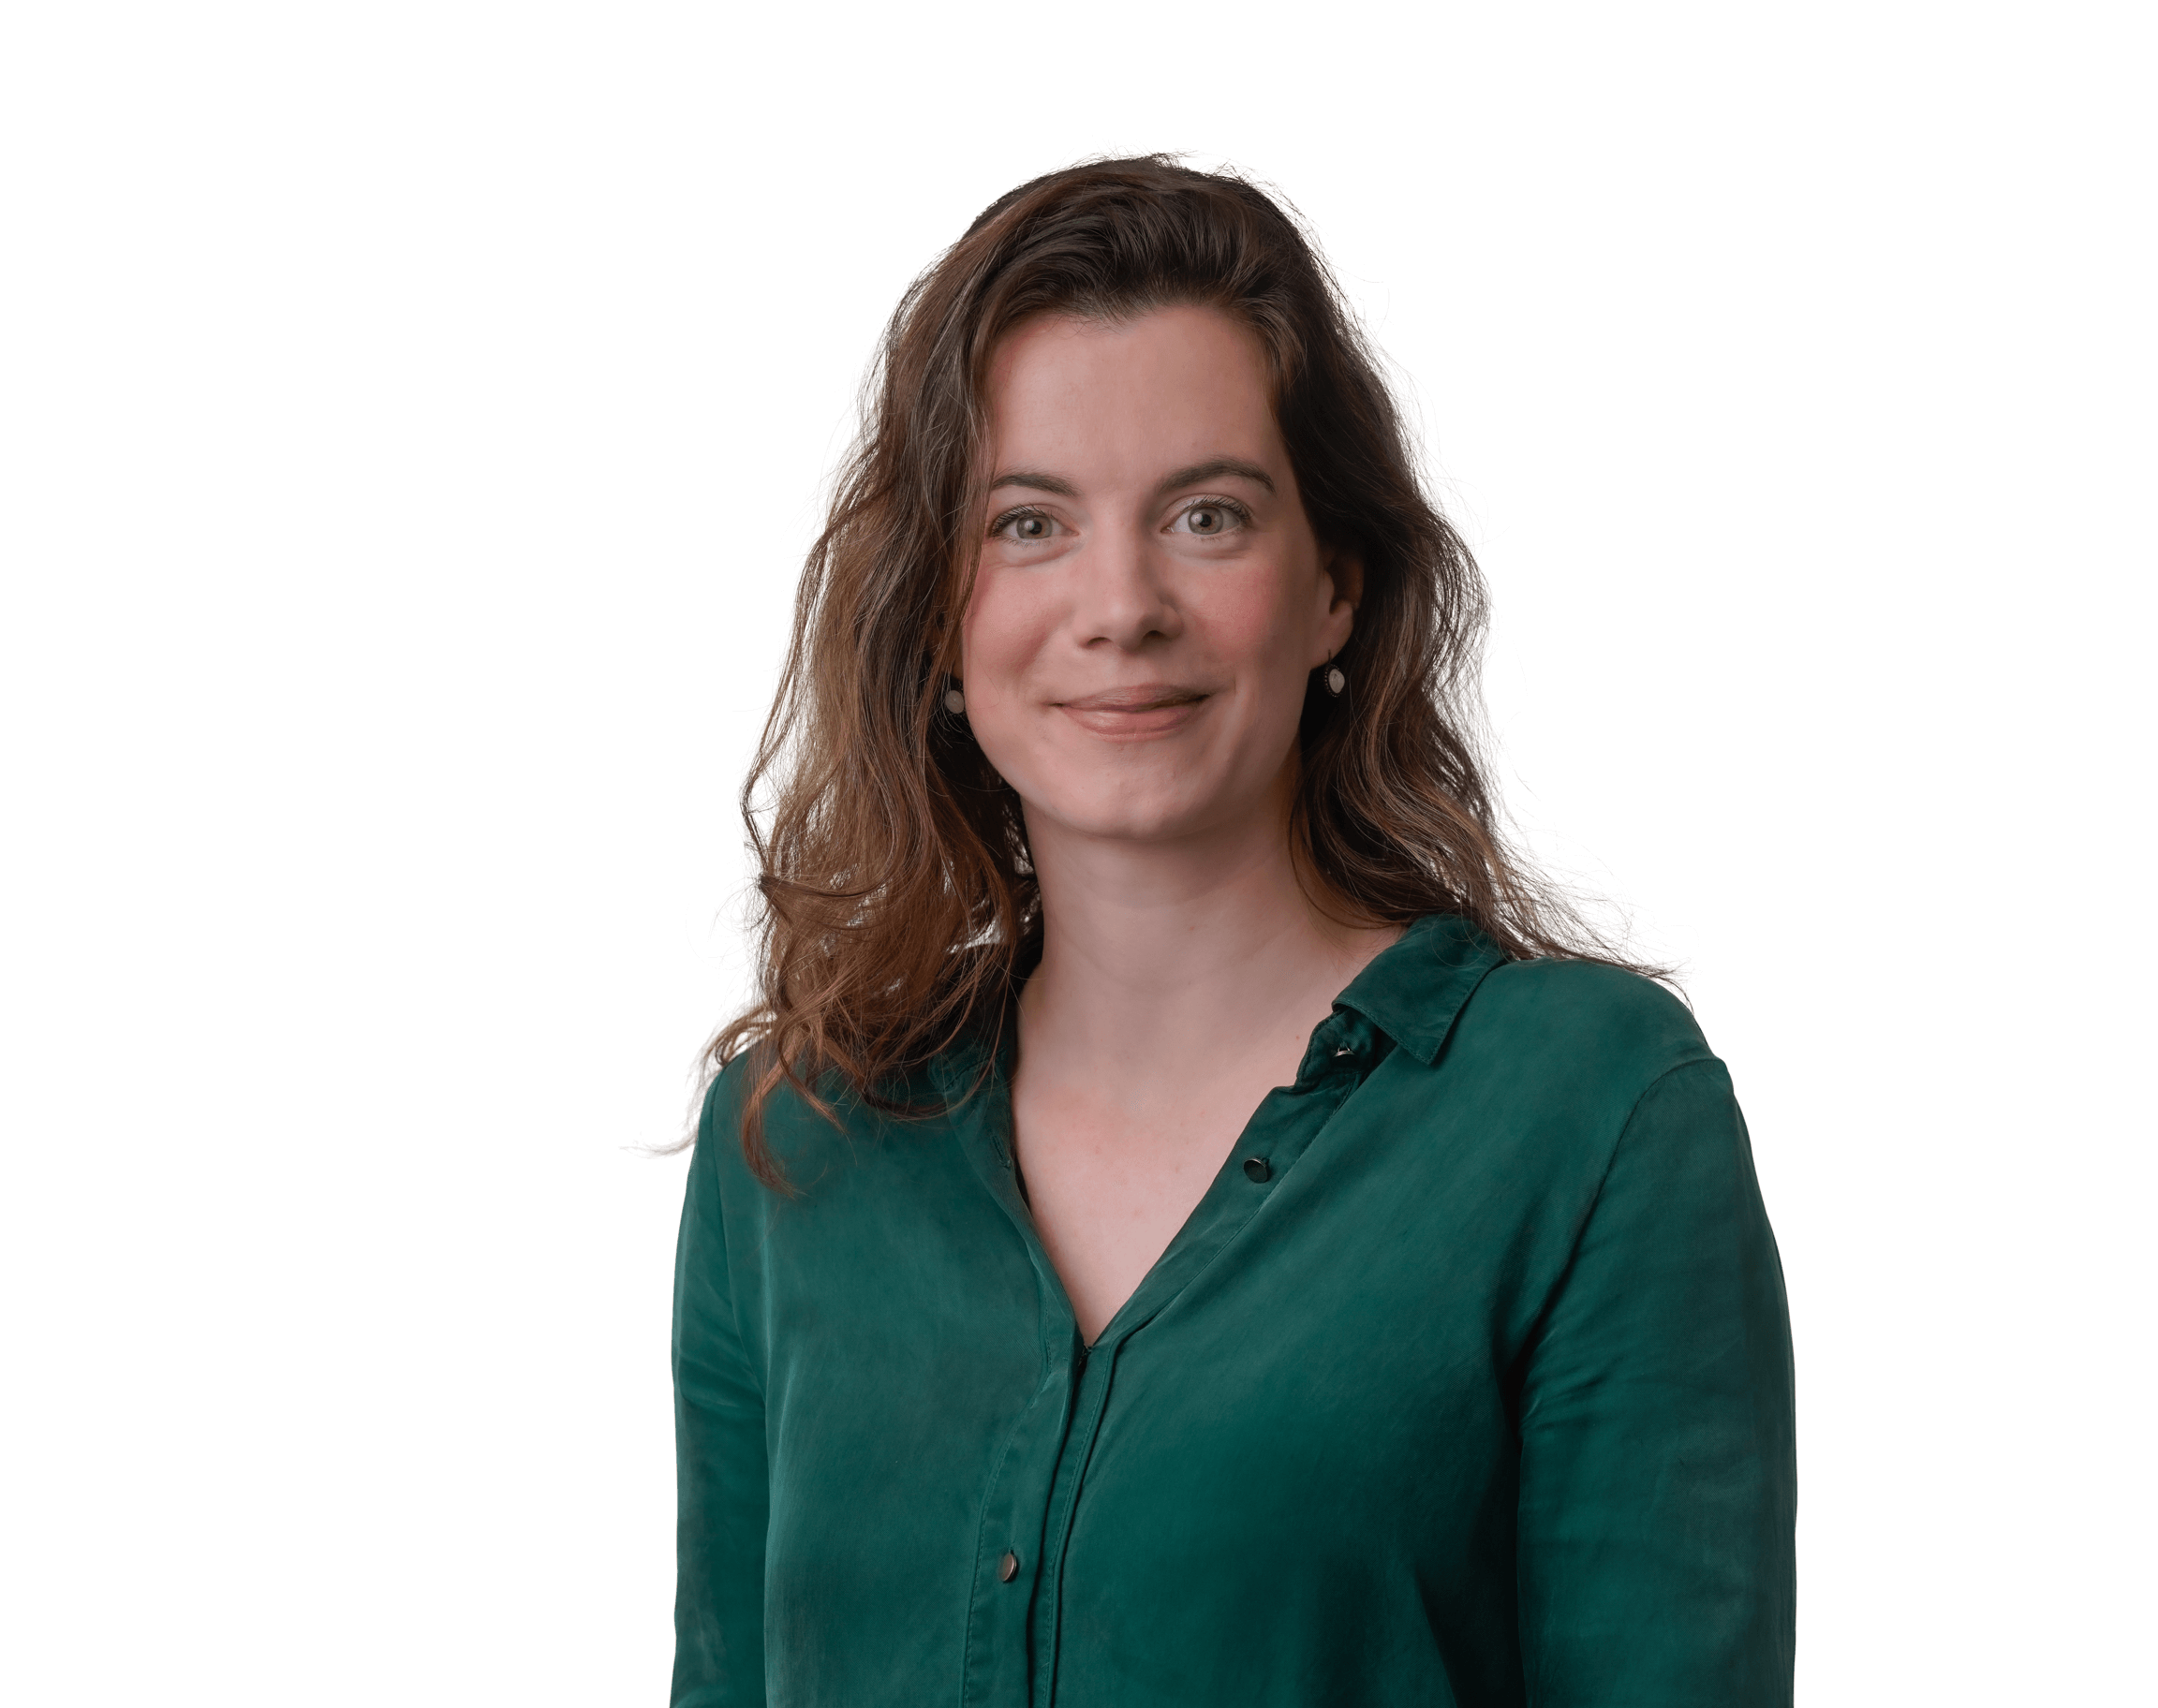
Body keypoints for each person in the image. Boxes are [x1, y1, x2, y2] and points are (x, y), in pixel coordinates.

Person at [639, 149, 1796, 1705]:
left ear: (1336, 588)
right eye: (1029, 523)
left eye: (1206, 514)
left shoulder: (1595, 1115)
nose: (1122, 605)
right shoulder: (790, 1140)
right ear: (936, 618)